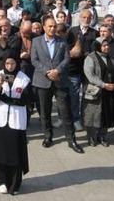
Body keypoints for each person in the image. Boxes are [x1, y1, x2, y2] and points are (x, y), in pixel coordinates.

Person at [31, 18, 83, 153]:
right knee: (44, 111)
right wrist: (47, 72)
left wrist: (57, 70)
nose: (52, 29)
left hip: (60, 80)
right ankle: (48, 136)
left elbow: (67, 58)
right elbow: (34, 60)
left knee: (66, 111)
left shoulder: (62, 41)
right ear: (44, 27)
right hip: (43, 80)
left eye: (54, 26)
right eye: (49, 26)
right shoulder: (36, 41)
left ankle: (71, 139)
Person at [0, 57, 31, 196]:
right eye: (7, 63)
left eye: (13, 63)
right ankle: (1, 181)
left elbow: (25, 100)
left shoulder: (24, 78)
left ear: (17, 64)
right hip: (0, 120)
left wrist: (6, 99)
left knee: (14, 152)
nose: (10, 66)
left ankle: (14, 183)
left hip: (16, 119)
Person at [83, 38, 114, 147]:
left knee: (106, 115)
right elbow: (90, 75)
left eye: (107, 45)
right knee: (92, 115)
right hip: (95, 92)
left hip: (110, 91)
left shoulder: (112, 57)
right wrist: (103, 85)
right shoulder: (90, 58)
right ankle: (91, 137)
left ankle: (102, 136)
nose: (107, 47)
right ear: (98, 46)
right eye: (104, 45)